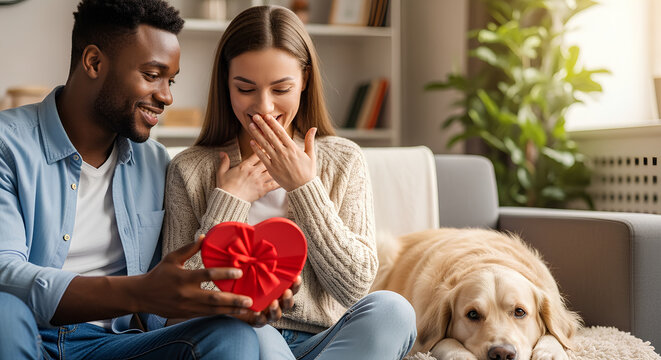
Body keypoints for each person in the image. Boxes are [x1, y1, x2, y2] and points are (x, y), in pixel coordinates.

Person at [0, 1, 296, 359]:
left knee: (230, 335)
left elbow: (165, 304)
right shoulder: (9, 145)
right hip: (25, 332)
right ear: (94, 62)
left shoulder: (155, 162)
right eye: (152, 75)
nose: (167, 96)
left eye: (170, 80)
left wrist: (234, 302)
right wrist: (138, 292)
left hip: (113, 346)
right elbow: (6, 275)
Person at [163, 5, 417, 360]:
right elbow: (177, 308)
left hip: (325, 343)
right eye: (245, 88)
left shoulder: (343, 160)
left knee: (394, 310)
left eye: (281, 88)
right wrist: (229, 201)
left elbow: (356, 287)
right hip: (241, 336)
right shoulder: (190, 170)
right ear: (226, 84)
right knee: (247, 333)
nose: (264, 107)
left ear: (305, 82)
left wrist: (305, 188)